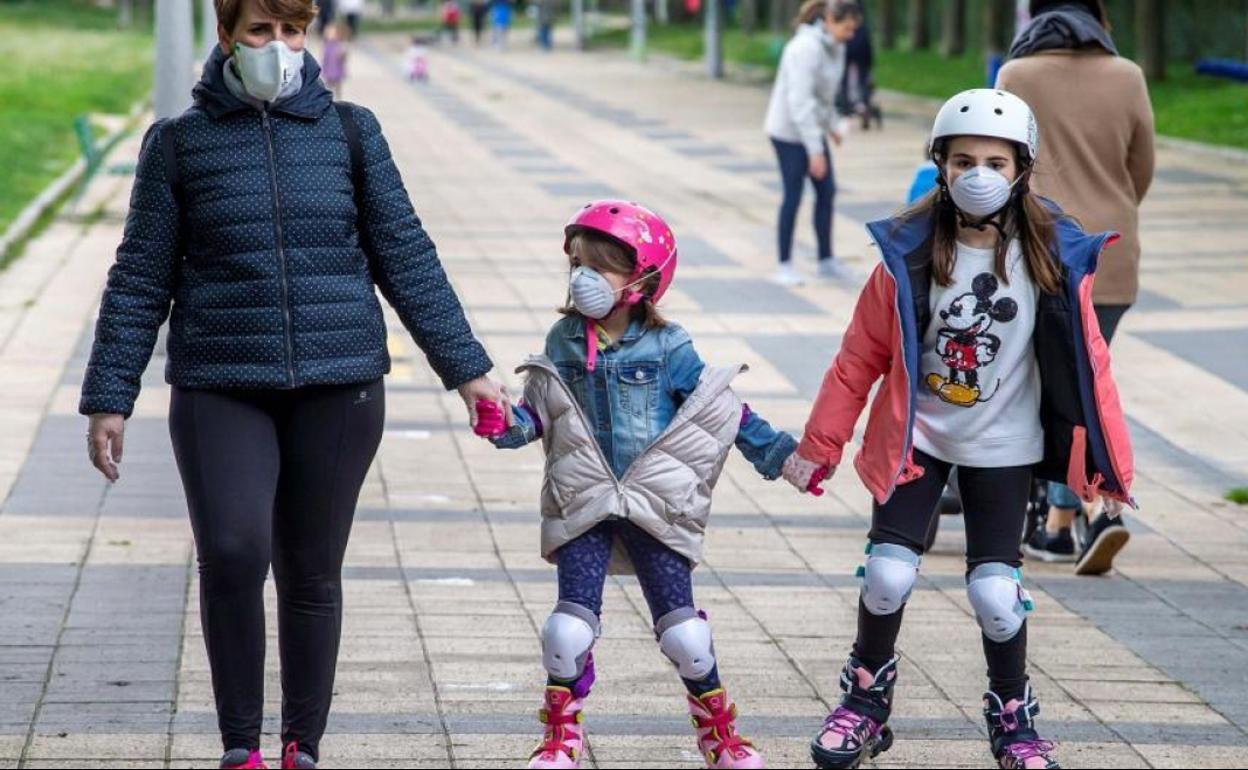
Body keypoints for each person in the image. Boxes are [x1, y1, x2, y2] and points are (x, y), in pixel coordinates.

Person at [79, 1, 506, 768]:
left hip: (339, 385)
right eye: (260, 32)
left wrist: (467, 370)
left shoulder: (351, 133)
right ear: (226, 38)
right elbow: (140, 277)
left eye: (292, 32)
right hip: (221, 381)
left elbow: (405, 254)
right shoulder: (178, 145)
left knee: (311, 571)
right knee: (235, 551)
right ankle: (240, 745)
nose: (279, 48)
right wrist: (110, 394)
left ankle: (301, 745)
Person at [781, 89, 1135, 769]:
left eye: (996, 162)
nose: (979, 174)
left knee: (995, 594)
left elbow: (1093, 368)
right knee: (886, 575)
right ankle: (863, 703)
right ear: (940, 165)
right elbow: (859, 359)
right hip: (919, 440)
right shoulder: (908, 255)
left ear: (1022, 170)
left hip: (1006, 448)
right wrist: (819, 446)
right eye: (963, 159)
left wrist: (1108, 471)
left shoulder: (1052, 258)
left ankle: (1014, 720)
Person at [482, 201, 801, 770]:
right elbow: (540, 414)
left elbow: (719, 409)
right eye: (577, 263)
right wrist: (504, 422)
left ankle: (719, 734)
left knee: (686, 637)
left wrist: (783, 457)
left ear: (642, 277)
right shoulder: (562, 340)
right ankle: (561, 735)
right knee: (566, 629)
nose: (583, 277)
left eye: (599, 267)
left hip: (654, 504)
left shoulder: (669, 346)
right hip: (585, 500)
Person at [998, 0, 1154, 575]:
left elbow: (999, 160)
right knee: (1089, 379)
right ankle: (1079, 512)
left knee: (1044, 385)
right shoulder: (1129, 76)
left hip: (1038, 250)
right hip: (1112, 254)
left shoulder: (1016, 76)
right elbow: (1142, 167)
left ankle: (1062, 520)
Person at [763, 0, 863, 287]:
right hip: (787, 130)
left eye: (853, 29)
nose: (850, 35)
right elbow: (800, 103)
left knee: (827, 191)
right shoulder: (803, 49)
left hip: (810, 129)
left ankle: (825, 260)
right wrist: (815, 151)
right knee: (793, 194)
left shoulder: (837, 47)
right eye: (846, 28)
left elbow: (824, 99)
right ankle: (783, 265)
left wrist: (833, 126)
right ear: (830, 19)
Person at [320, 21, 348, 98]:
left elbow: (344, 58)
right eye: (328, 33)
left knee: (337, 85)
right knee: (328, 84)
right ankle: (329, 97)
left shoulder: (339, 44)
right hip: (329, 68)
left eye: (332, 33)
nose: (330, 35)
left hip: (337, 68)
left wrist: (342, 54)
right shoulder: (326, 45)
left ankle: (338, 97)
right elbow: (324, 57)